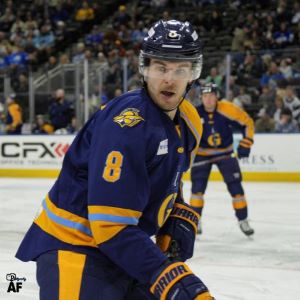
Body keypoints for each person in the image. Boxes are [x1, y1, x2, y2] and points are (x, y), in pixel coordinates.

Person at [16, 20, 214, 300]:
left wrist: (175, 211)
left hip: (122, 250)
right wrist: (169, 277)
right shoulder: (127, 126)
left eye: (180, 69)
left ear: (193, 74)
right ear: (145, 69)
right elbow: (110, 226)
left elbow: (171, 174)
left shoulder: (190, 121)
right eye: (161, 67)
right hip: (75, 247)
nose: (169, 79)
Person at [190, 83, 255, 236]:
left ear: (217, 97)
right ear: (201, 98)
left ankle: (243, 220)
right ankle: (195, 221)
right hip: (202, 154)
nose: (209, 100)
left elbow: (248, 123)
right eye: (205, 96)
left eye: (212, 96)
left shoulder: (228, 109)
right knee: (197, 191)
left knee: (236, 189)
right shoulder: (194, 113)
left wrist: (246, 142)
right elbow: (182, 132)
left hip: (225, 154)